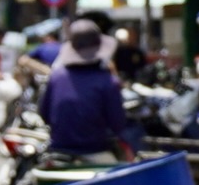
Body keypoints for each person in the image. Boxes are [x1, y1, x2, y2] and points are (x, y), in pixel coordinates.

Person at [39, 18, 134, 163]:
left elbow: (44, 113)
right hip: (95, 153)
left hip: (58, 151)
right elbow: (118, 124)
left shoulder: (56, 76)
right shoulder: (108, 81)